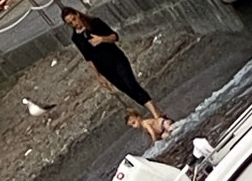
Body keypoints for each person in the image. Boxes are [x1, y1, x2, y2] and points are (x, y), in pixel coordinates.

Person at [60, 9, 171, 141]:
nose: (75, 24)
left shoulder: (95, 23)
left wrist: (102, 39)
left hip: (117, 60)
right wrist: (98, 76)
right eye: (70, 23)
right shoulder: (76, 38)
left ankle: (155, 114)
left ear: (78, 15)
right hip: (105, 69)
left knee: (132, 84)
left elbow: (115, 37)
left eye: (74, 19)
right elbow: (88, 58)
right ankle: (158, 113)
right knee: (128, 91)